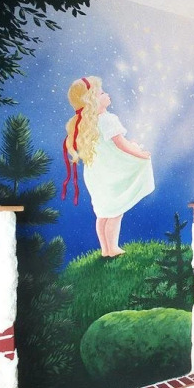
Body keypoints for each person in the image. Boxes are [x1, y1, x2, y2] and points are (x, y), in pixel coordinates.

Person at [63, 76, 154, 258]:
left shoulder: (87, 124)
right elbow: (120, 144)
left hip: (97, 174)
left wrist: (131, 145)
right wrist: (139, 153)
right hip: (111, 174)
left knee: (103, 214)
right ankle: (112, 248)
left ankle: (105, 249)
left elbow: (110, 145)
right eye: (102, 93)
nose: (107, 94)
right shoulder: (108, 119)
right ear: (92, 100)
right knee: (115, 212)